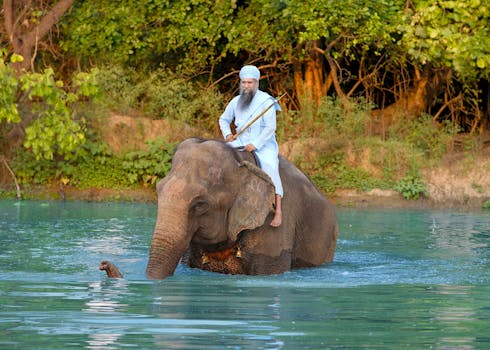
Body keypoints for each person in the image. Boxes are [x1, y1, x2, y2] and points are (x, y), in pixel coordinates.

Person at [219, 65, 283, 227]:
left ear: (257, 83)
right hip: (239, 141)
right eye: (244, 82)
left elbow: (270, 128)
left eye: (250, 82)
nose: (246, 86)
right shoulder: (235, 101)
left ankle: (278, 211)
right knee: (219, 157)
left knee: (271, 166)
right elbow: (223, 120)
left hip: (263, 143)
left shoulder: (266, 101)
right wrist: (227, 134)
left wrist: (255, 144)